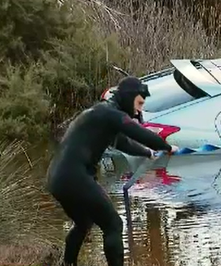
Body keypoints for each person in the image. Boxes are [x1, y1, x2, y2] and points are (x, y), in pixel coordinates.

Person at [46, 76, 179, 266]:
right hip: (74, 177)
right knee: (114, 225)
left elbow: (122, 142)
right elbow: (139, 133)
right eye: (139, 103)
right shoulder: (111, 114)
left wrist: (147, 152)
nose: (140, 109)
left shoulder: (102, 114)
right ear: (129, 97)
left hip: (57, 177)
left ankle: (67, 264)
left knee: (83, 223)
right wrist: (166, 147)